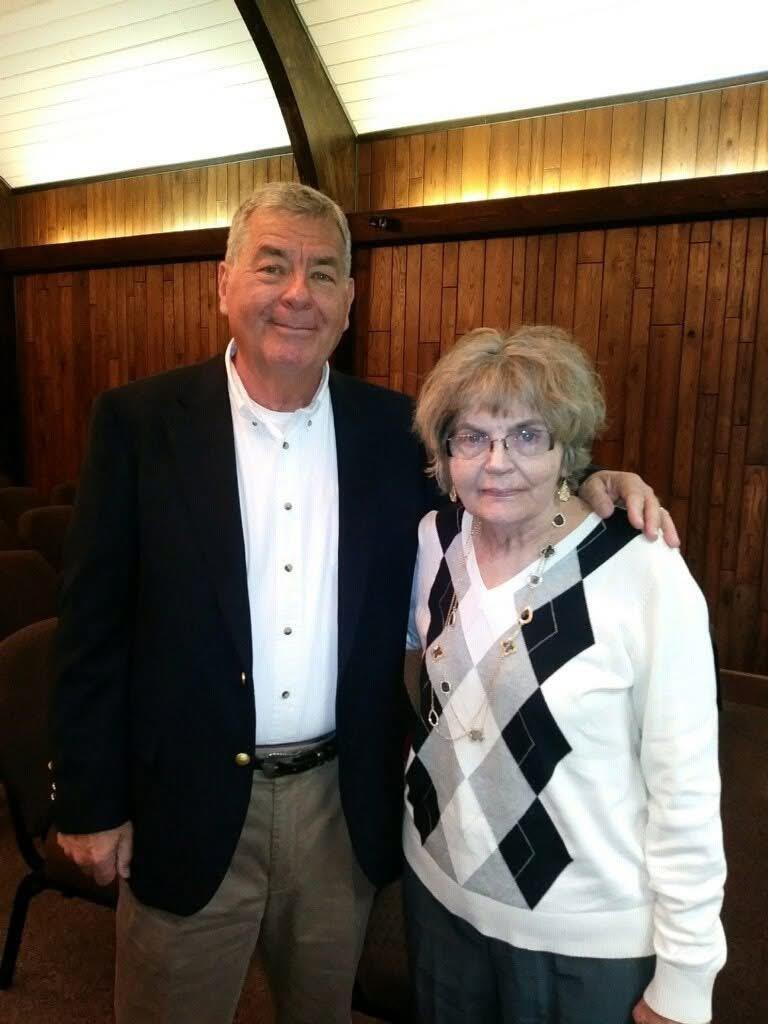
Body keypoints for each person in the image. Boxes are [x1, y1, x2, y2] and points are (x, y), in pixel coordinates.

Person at [51, 182, 677, 1024]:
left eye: (323, 272)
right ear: (224, 283)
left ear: (349, 301)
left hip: (338, 803)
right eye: (273, 267)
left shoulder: (394, 431)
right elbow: (92, 630)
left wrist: (590, 483)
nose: (297, 293)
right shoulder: (137, 423)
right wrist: (91, 803)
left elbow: (501, 499)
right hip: (183, 800)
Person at [404, 325, 726, 1024]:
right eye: (471, 436)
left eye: (527, 435)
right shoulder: (435, 545)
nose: (496, 462)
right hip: (437, 902)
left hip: (581, 943)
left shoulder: (643, 573)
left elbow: (686, 788)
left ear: (566, 449)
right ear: (444, 452)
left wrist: (688, 976)